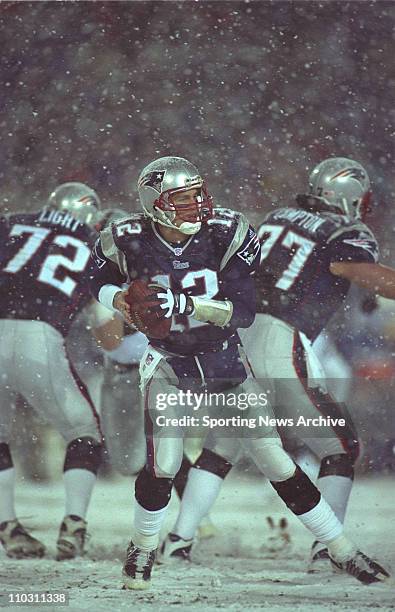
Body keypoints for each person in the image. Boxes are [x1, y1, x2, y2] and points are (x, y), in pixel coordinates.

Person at [89, 156, 389, 590]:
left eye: (198, 192)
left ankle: (342, 549)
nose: (197, 203)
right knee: (165, 464)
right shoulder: (126, 236)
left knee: (273, 457)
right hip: (168, 361)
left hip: (225, 356)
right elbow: (97, 277)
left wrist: (184, 305)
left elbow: (243, 312)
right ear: (155, 202)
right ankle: (143, 545)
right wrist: (118, 299)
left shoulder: (225, 231)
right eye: (184, 196)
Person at [0, 182, 117, 560]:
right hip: (39, 338)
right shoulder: (95, 244)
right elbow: (109, 337)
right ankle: (73, 525)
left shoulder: (13, 224)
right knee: (84, 432)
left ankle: (8, 527)